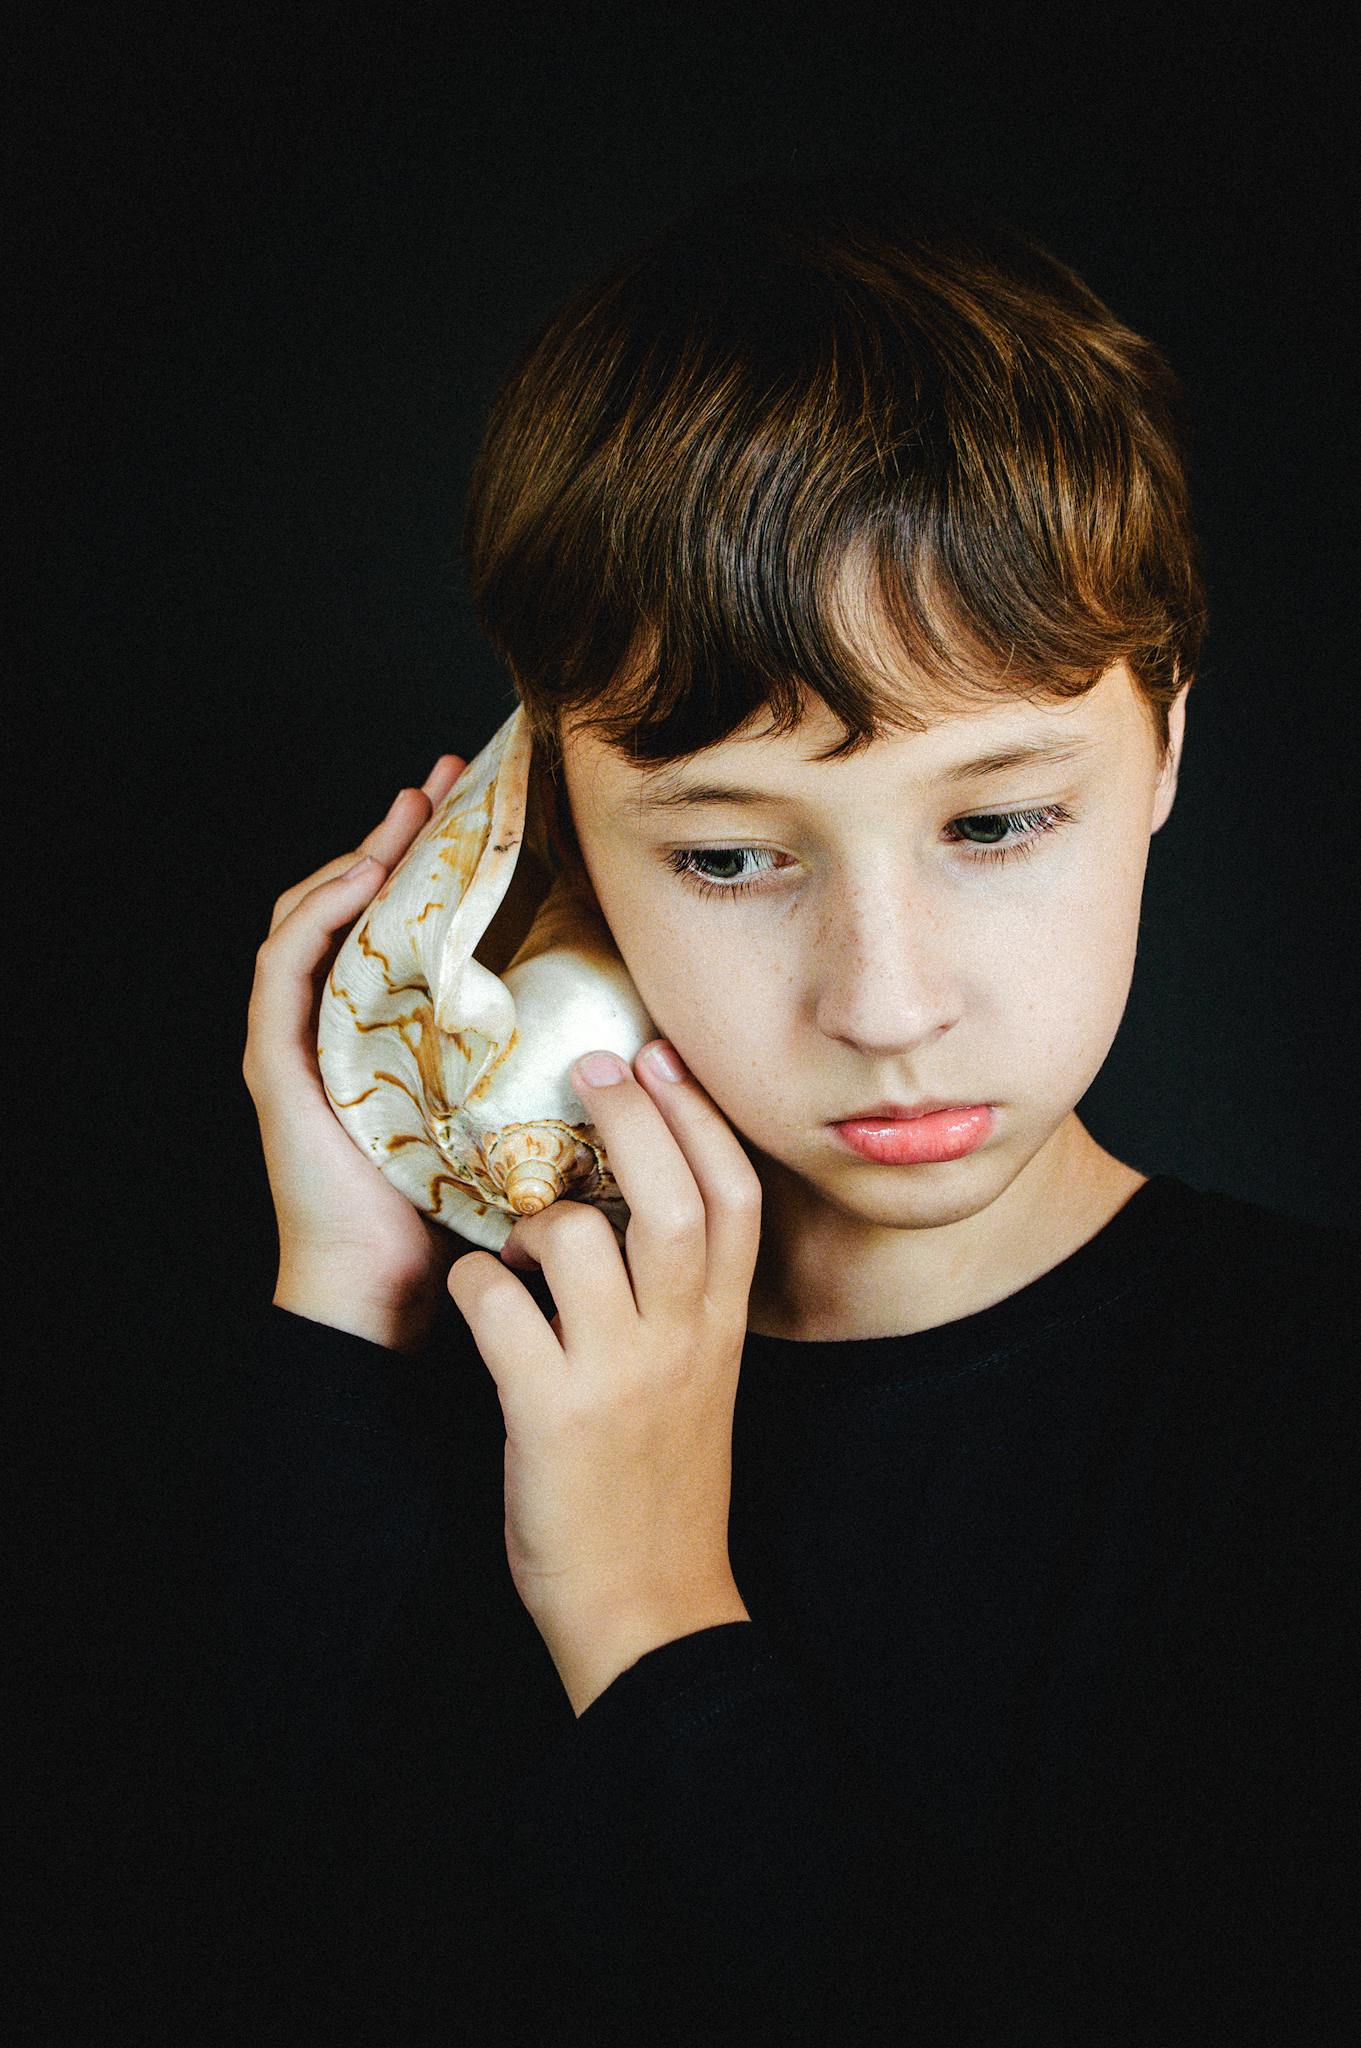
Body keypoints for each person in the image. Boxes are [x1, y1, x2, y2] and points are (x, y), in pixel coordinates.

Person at [180, 174, 1354, 2042]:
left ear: (1164, 756)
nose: (885, 1003)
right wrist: (351, 1288)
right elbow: (269, 1943)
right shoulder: (447, 1384)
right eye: (730, 855)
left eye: (993, 823)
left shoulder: (1297, 1427)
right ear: (544, 830)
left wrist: (647, 1612)